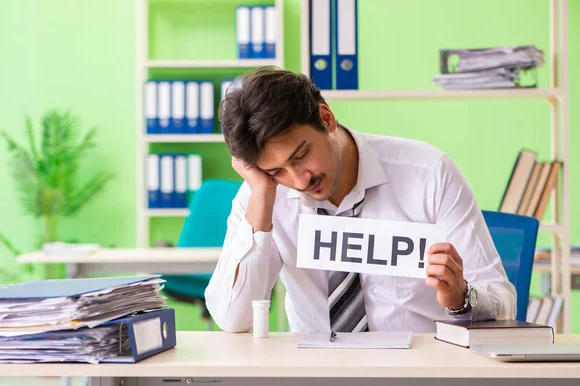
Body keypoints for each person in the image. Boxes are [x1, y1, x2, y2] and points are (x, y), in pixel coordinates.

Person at [204, 67, 516, 333]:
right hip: (318, 379)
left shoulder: (429, 173)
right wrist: (261, 196)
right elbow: (233, 319)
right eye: (277, 170)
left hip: (418, 374)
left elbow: (504, 300)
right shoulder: (264, 193)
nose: (300, 181)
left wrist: (461, 298)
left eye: (301, 156)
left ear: (326, 119)